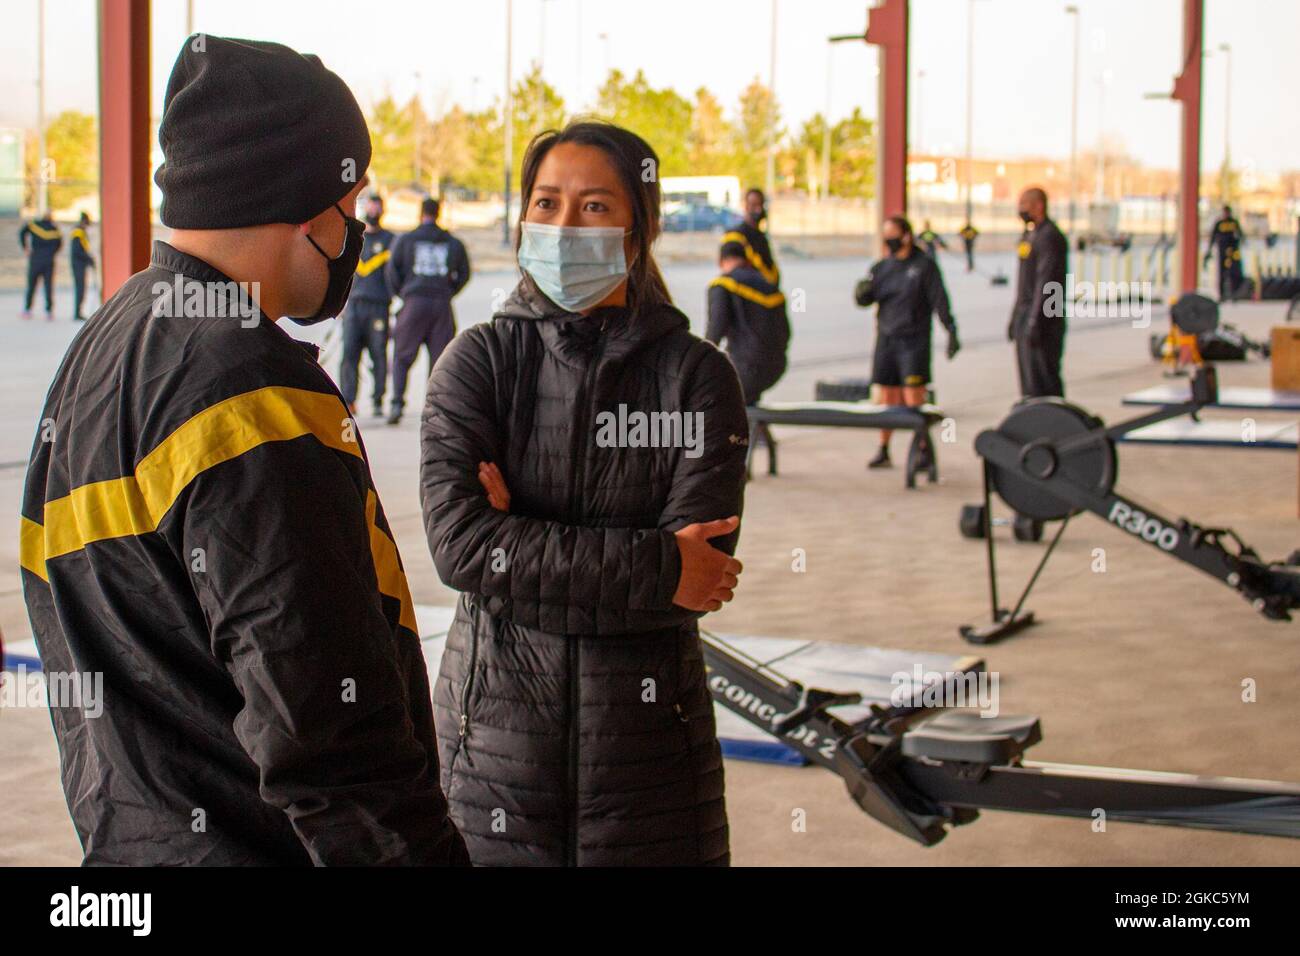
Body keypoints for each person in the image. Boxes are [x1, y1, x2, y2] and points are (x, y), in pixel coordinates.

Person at [20, 35, 467, 867]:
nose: (357, 228)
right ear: (309, 207)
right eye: (352, 202)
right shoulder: (253, 397)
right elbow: (332, 741)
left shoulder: (104, 350)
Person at [419, 120, 748, 866]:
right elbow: (461, 549)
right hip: (490, 764)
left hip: (653, 774)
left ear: (641, 225)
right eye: (546, 202)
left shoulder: (697, 378)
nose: (565, 226)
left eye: (596, 206)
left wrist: (517, 541)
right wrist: (658, 564)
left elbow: (701, 576)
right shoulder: (478, 364)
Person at [854, 215, 958, 469]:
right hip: (886, 339)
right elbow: (864, 298)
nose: (889, 241)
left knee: (913, 397)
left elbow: (939, 300)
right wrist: (862, 293)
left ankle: (923, 450)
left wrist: (951, 329)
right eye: (885, 236)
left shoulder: (924, 266)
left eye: (893, 235)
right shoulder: (881, 267)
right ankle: (884, 449)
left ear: (907, 236)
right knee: (885, 396)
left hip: (914, 341)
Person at [383, 197, 470, 425]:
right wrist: (449, 291)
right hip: (441, 305)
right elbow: (465, 273)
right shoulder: (452, 242)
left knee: (402, 357)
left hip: (414, 303)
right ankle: (436, 408)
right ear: (438, 214)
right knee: (440, 359)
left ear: (420, 214)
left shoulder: (406, 240)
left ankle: (396, 405)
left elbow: (392, 271)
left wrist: (404, 294)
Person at [706, 239, 790, 405]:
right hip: (777, 365)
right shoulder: (769, 285)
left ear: (721, 261)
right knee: (748, 408)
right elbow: (786, 331)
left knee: (718, 405)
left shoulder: (723, 284)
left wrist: (703, 364)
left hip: (745, 367)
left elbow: (716, 328)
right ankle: (757, 428)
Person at [338, 194, 395, 417]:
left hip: (379, 306)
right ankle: (349, 401)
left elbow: (397, 273)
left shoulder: (391, 240)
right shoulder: (352, 238)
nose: (374, 211)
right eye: (370, 206)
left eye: (377, 207)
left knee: (378, 355)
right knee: (349, 355)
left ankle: (378, 400)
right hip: (353, 306)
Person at [1008, 187, 1068, 398]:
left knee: (1044, 380)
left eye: (1024, 204)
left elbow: (1047, 283)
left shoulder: (1050, 237)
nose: (1020, 209)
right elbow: (1024, 283)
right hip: (1026, 315)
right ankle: (1031, 423)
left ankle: (1055, 425)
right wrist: (1015, 317)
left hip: (1045, 320)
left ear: (1039, 205)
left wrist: (1036, 321)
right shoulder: (1030, 235)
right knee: (1029, 383)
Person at [722, 187, 779, 287]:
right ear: (746, 206)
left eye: (760, 205)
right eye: (754, 205)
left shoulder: (761, 237)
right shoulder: (735, 235)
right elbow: (729, 267)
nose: (758, 210)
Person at [19, 211, 62, 321]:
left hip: (35, 259)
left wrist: (25, 247)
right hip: (49, 261)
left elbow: (22, 232)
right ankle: (49, 311)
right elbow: (59, 244)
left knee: (31, 285)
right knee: (48, 286)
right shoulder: (54, 229)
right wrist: (52, 253)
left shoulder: (34, 225)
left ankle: (27, 310)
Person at [1204, 204, 1244, 303]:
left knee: (1234, 273)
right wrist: (1209, 250)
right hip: (1222, 251)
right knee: (1222, 273)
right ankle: (1222, 294)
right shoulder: (1219, 223)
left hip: (1233, 252)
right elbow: (1213, 237)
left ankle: (1234, 293)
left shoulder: (1234, 222)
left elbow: (1240, 235)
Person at [70, 212, 95, 321]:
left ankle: (78, 311)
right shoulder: (78, 233)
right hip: (78, 264)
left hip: (81, 264)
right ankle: (77, 312)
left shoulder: (81, 232)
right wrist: (88, 259)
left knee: (81, 288)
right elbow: (77, 251)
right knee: (80, 288)